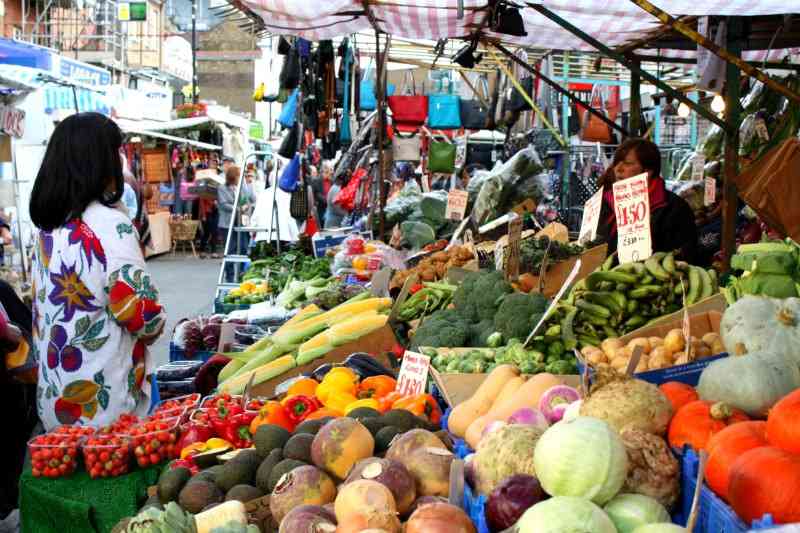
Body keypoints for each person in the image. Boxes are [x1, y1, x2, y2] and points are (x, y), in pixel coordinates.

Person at [29, 113, 166, 430]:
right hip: (108, 413)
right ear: (100, 162)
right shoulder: (109, 225)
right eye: (116, 153)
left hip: (53, 408)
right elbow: (144, 317)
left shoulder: (48, 229)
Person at [596, 138, 697, 261]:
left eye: (627, 163)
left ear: (647, 171)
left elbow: (683, 254)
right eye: (617, 162)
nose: (618, 168)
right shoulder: (605, 202)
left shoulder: (673, 208)